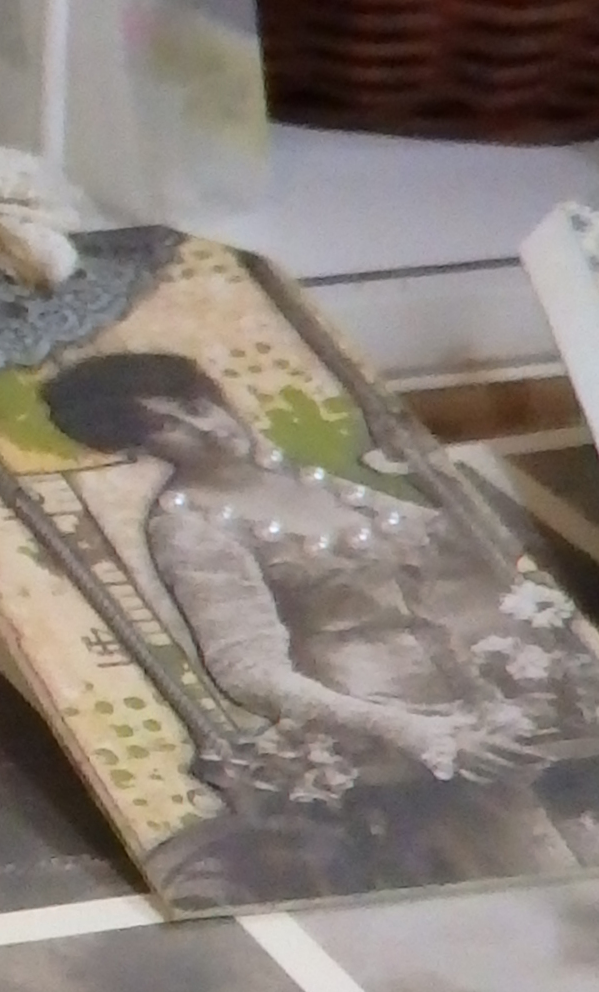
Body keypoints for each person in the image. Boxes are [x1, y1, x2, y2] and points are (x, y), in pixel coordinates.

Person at [36, 350, 599, 889]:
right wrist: (412, 731)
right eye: (166, 426)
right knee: (537, 871)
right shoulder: (190, 526)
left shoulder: (305, 480)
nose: (206, 427)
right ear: (135, 448)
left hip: (486, 698)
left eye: (196, 405)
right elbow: (247, 670)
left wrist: (439, 478)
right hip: (383, 728)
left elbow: (461, 547)